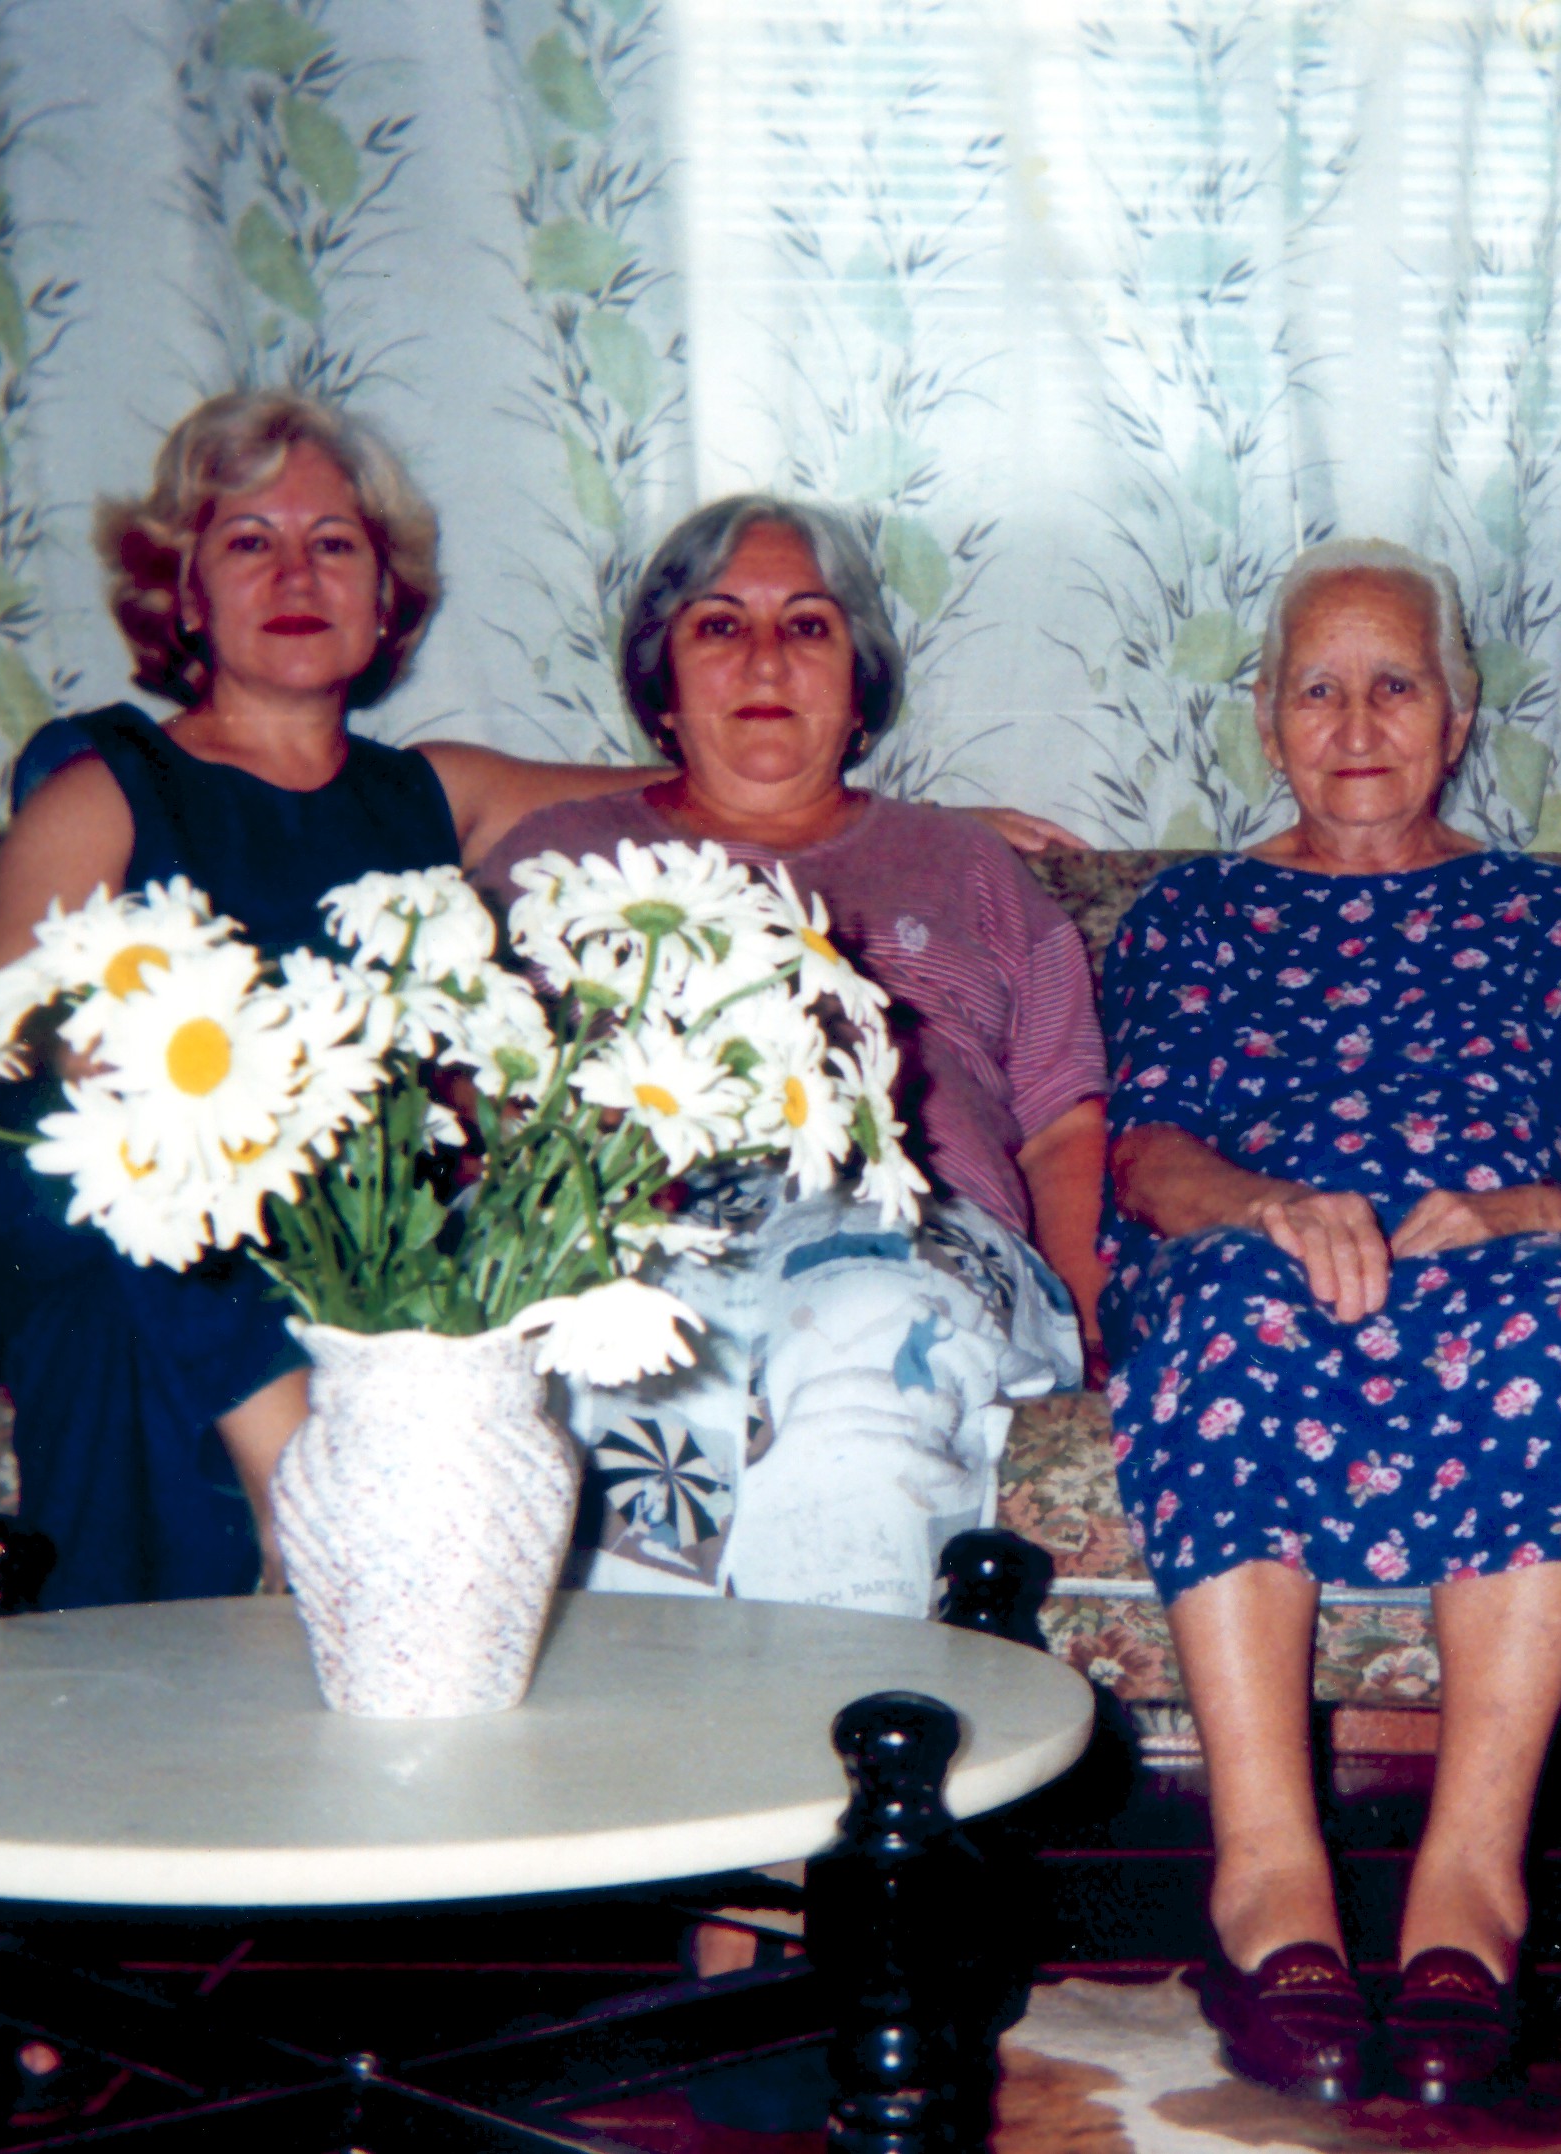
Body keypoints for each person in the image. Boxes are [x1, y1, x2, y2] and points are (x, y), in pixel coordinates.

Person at [0, 394, 1069, 1613]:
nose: (299, 573)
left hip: (340, 1224)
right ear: (184, 591)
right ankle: (292, 1483)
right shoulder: (101, 792)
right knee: (165, 1198)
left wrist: (918, 822)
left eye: (337, 545)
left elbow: (697, 781)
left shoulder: (430, 794)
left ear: (384, 593)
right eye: (252, 541)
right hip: (117, 1206)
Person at [1096, 540, 1561, 2104]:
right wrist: (1265, 1204)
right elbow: (1148, 1154)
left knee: (1549, 1317)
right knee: (1229, 1302)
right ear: (1263, 718)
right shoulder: (1197, 910)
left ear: (1458, 710)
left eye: (1393, 682)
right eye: (1317, 686)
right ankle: (1268, 1880)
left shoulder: (1540, 914)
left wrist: (1521, 1210)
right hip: (1261, 1245)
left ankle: (1467, 1893)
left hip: (1493, 1258)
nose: (1355, 722)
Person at [476, 494, 1108, 1980]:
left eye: (805, 625)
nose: (765, 657)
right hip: (650, 1227)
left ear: (859, 676)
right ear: (662, 674)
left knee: (855, 1383)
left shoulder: (968, 872)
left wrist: (1086, 1317)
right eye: (721, 625)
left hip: (912, 1227)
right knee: (649, 1382)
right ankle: (706, 1880)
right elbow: (473, 1093)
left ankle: (824, 1876)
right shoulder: (557, 859)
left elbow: (1068, 1124)